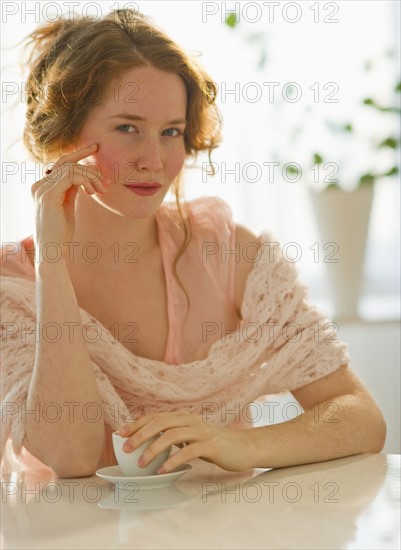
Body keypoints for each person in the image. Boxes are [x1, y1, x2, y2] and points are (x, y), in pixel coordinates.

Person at [0, 9, 386, 478]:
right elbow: (70, 458)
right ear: (63, 134)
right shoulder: (12, 289)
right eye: (127, 127)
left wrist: (240, 445)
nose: (154, 160)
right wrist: (53, 264)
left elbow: (360, 416)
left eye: (171, 132)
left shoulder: (231, 257)